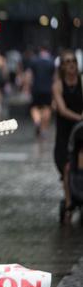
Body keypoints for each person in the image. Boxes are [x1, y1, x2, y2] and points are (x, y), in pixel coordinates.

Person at [52, 50, 83, 224]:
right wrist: (80, 118)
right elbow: (62, 110)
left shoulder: (82, 82)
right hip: (65, 134)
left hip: (81, 134)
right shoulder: (58, 85)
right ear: (62, 66)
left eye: (74, 61)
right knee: (66, 168)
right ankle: (70, 202)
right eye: (67, 62)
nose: (71, 65)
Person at [29, 46, 55, 138]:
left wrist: (27, 87)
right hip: (48, 89)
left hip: (36, 88)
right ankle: (43, 129)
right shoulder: (52, 62)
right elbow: (54, 77)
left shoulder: (34, 61)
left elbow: (30, 75)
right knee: (47, 108)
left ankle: (37, 121)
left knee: (34, 107)